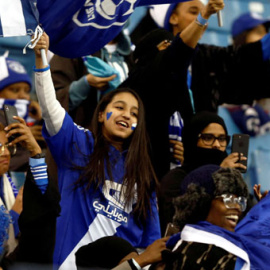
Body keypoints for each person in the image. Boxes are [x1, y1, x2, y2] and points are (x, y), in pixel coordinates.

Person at [33, 33, 161, 270]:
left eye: (134, 114)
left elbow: (148, 245)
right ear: (101, 114)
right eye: (119, 107)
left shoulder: (144, 175)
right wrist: (41, 59)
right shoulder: (79, 144)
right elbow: (50, 108)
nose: (126, 115)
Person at [121, 0, 225, 180]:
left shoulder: (182, 93)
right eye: (164, 47)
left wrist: (187, 153)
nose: (170, 51)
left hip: (173, 184)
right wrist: (204, 16)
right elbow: (176, 55)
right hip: (136, 179)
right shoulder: (136, 84)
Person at [148, 0, 270, 114]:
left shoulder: (207, 56)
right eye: (194, 12)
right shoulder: (152, 56)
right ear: (173, 17)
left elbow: (245, 55)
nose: (205, 22)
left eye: (205, 15)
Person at [156, 165, 270, 270]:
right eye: (228, 199)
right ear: (202, 202)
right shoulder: (207, 253)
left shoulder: (225, 246)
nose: (237, 207)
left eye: (239, 201)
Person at [158, 111, 250, 235]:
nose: (217, 145)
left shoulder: (232, 179)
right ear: (192, 140)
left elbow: (242, 223)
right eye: (208, 138)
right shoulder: (174, 180)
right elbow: (177, 221)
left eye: (222, 139)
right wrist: (217, 175)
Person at [0, 116, 60, 269]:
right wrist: (13, 216)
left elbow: (48, 204)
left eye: (7, 146)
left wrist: (35, 151)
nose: (5, 153)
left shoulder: (6, 181)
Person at [0, 54, 44, 172]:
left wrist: (42, 118)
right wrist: (20, 139)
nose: (24, 96)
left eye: (26, 91)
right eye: (15, 90)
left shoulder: (32, 117)